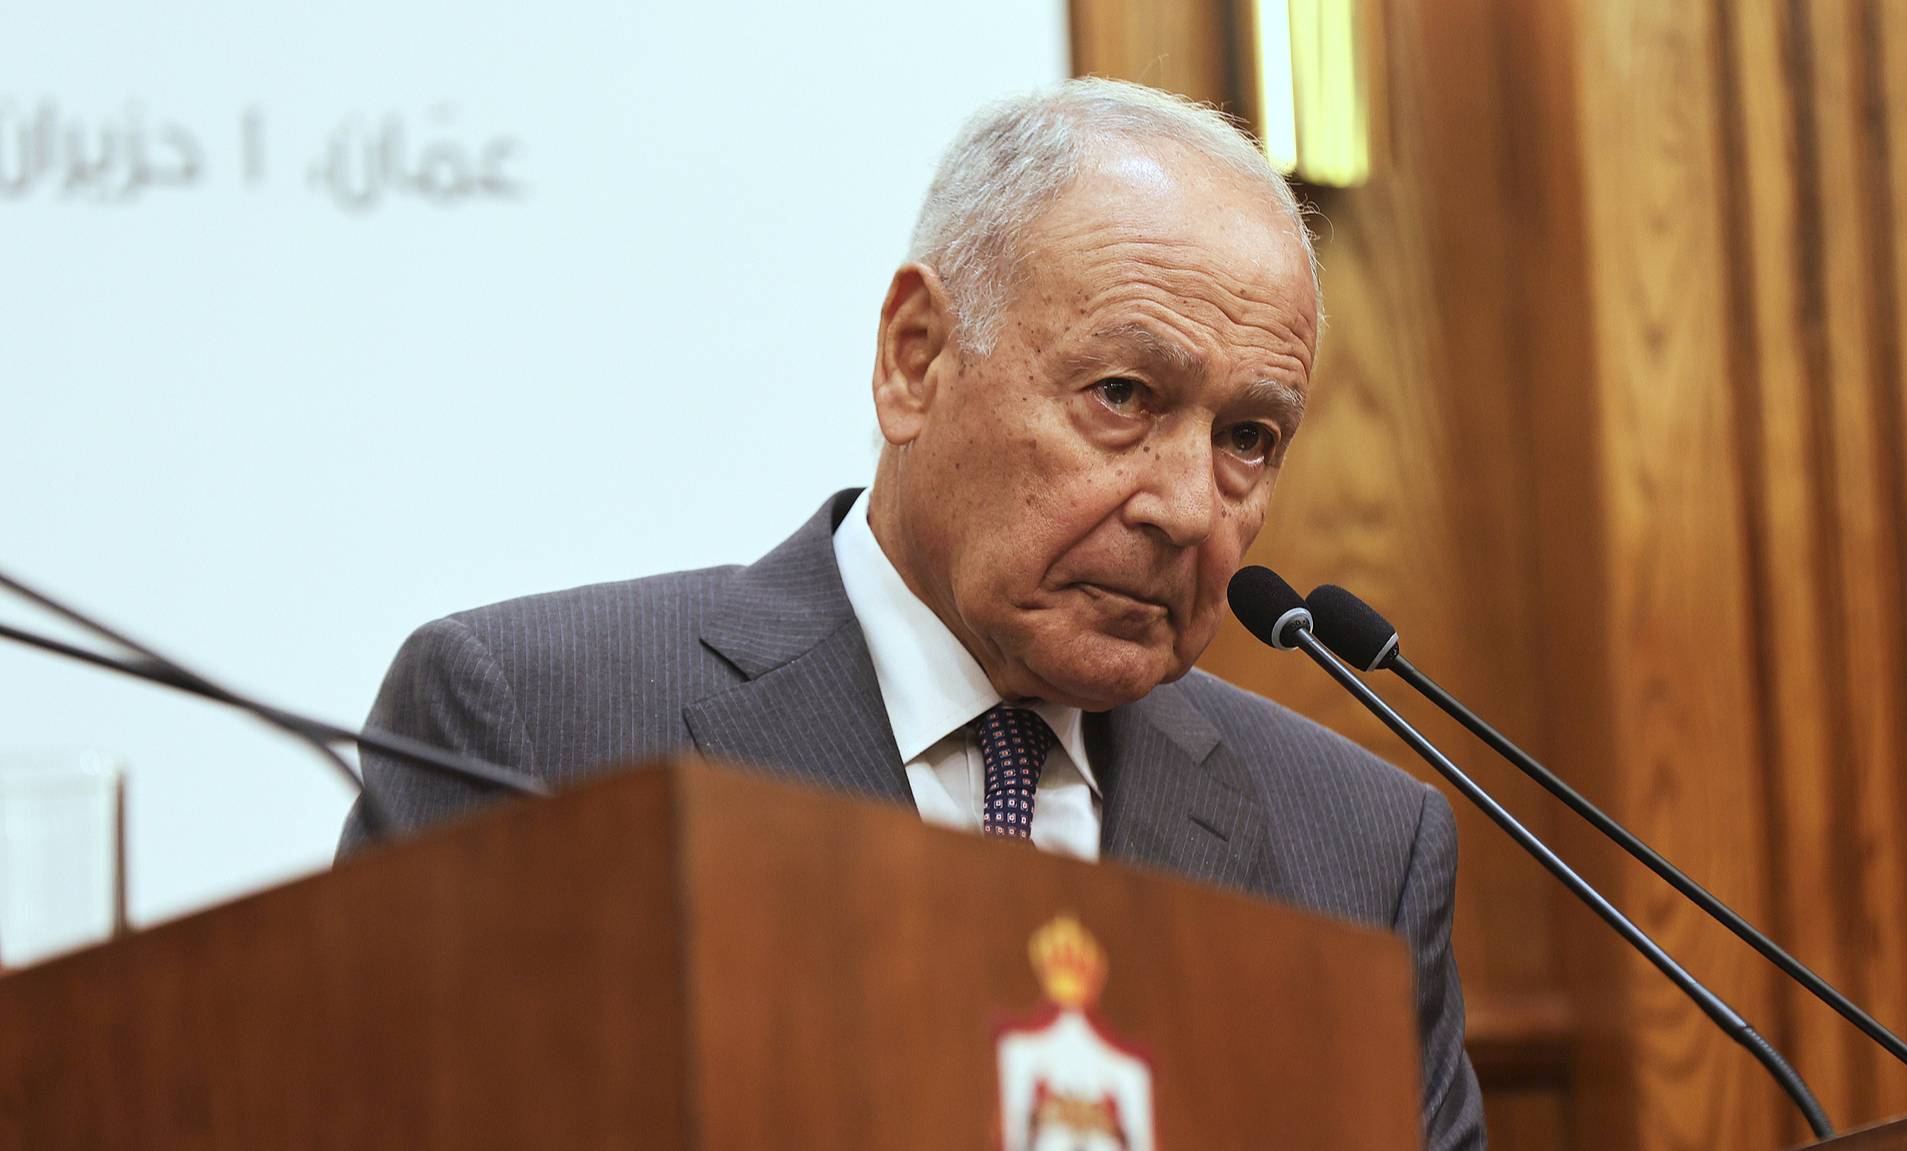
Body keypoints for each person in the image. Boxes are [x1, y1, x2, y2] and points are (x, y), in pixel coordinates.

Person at [340, 78, 1485, 1150]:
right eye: (1122, 397)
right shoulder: (540, 726)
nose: (1189, 508)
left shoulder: (1358, 852)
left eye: (1247, 438)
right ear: (914, 358)